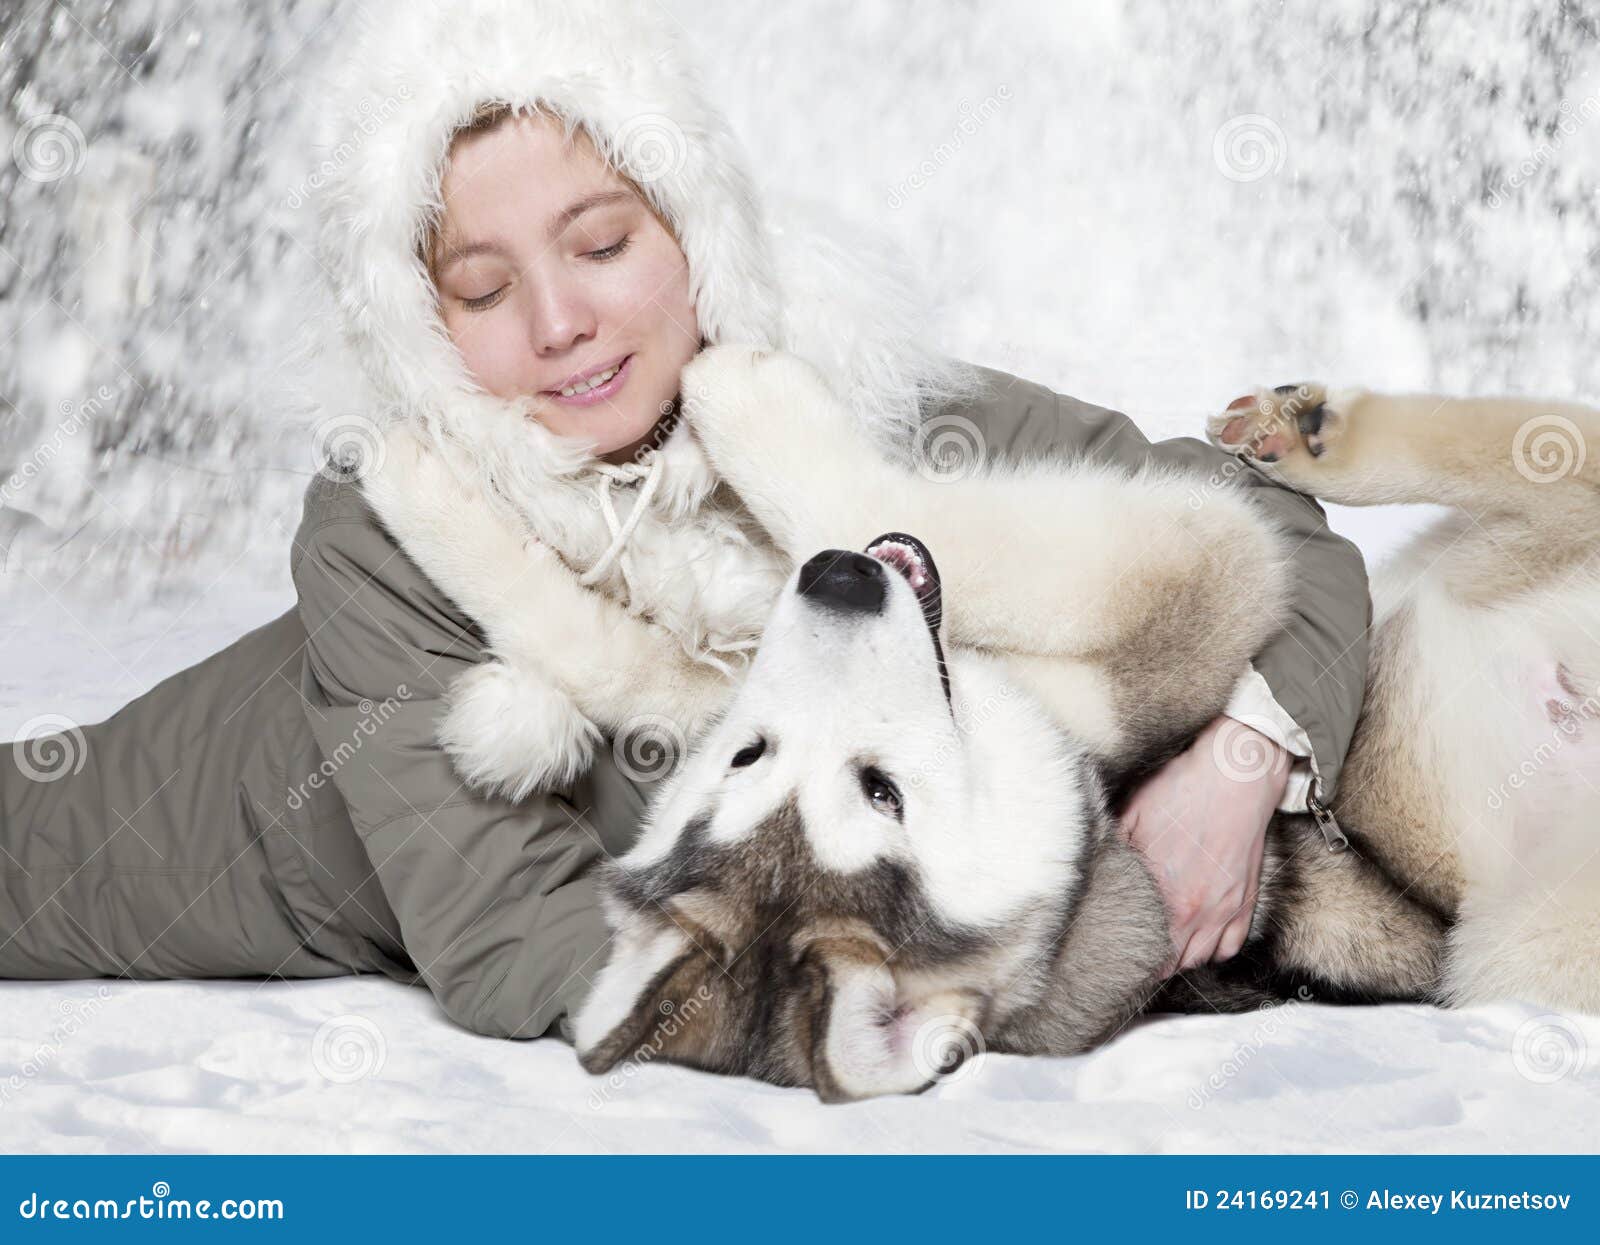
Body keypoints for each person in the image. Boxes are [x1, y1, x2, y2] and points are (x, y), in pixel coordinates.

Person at [0, 0, 1369, 1043]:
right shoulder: (386, 529)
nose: (558, 326)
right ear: (420, 333)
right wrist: (946, 997)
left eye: (602, 245)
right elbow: (516, 941)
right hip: (142, 839)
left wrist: (1244, 762)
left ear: (699, 228)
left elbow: (1273, 529)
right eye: (481, 291)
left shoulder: (862, 408)